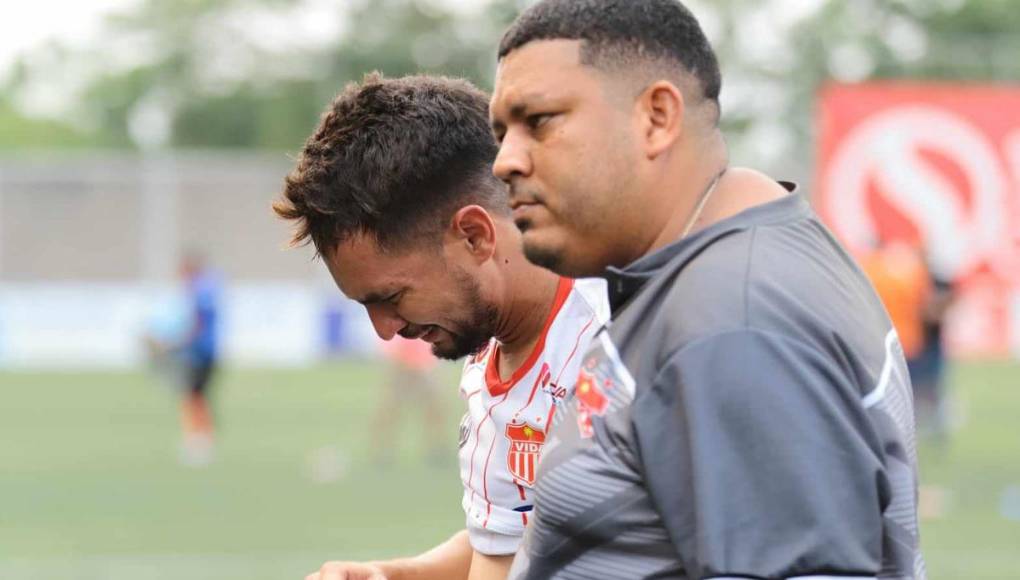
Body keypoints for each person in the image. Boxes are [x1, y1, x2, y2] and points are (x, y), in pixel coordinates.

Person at [488, 1, 925, 578]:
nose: (504, 161)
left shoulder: (733, 324)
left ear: (657, 117)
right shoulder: (717, 265)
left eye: (538, 121)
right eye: (501, 132)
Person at [273, 73, 609, 580]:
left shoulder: (630, 331)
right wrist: (395, 575)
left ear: (474, 236)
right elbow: (508, 541)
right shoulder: (488, 356)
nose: (384, 330)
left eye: (390, 297)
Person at [145, 251, 223, 466]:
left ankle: (199, 440)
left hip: (200, 353)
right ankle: (199, 438)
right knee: (196, 395)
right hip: (202, 351)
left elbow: (197, 326)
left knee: (194, 395)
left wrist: (172, 344)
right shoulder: (205, 289)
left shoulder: (201, 291)